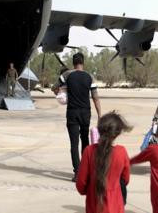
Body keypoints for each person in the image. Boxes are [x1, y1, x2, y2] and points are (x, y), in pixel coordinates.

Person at [52, 52, 101, 181]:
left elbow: (54, 87)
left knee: (74, 144)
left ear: (73, 63)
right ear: (83, 63)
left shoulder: (67, 75)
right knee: (85, 140)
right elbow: (95, 98)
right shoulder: (90, 77)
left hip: (72, 112)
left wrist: (61, 95)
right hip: (86, 113)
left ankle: (77, 173)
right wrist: (100, 115)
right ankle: (86, 171)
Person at [76, 111, 132, 213]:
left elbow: (81, 183)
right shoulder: (122, 152)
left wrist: (89, 190)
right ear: (118, 132)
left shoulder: (89, 151)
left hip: (94, 203)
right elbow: (125, 179)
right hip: (116, 203)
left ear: (99, 130)